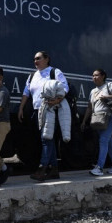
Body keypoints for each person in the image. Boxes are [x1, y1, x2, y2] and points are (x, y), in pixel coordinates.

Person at [18, 51, 69, 182]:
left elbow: (65, 87)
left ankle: (42, 169)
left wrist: (57, 100)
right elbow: (26, 92)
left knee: (46, 139)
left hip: (50, 110)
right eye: (34, 59)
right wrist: (21, 108)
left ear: (47, 59)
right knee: (48, 139)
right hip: (37, 111)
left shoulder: (55, 72)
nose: (35, 61)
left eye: (38, 58)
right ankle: (54, 170)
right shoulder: (32, 75)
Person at [81, 69, 112, 176]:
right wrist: (84, 121)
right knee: (108, 141)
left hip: (109, 118)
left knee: (103, 140)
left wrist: (107, 97)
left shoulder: (109, 86)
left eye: (96, 75)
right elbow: (89, 107)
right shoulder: (93, 91)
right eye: (93, 76)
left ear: (103, 76)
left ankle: (99, 167)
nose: (94, 77)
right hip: (98, 119)